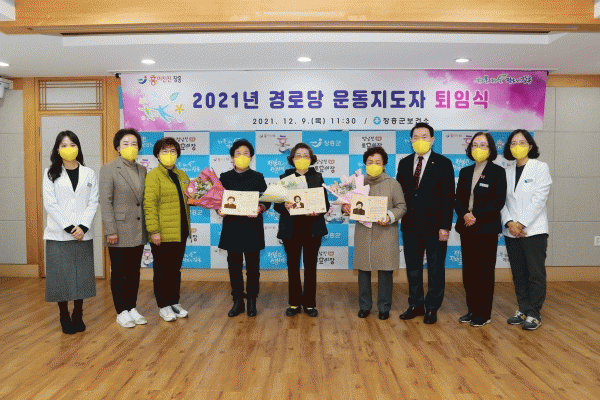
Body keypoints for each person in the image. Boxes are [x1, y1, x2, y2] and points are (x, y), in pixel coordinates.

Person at [396, 122, 455, 324]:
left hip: (435, 226)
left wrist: (445, 226)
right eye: (415, 137)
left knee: (436, 268)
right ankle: (415, 304)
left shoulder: (443, 163)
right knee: (413, 267)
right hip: (410, 224)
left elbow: (448, 197)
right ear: (410, 140)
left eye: (424, 136)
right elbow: (399, 194)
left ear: (432, 139)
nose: (419, 140)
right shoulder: (404, 163)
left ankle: (432, 307)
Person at [43, 130, 99, 334]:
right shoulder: (50, 173)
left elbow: (93, 202)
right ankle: (64, 314)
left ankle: (78, 313)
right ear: (57, 150)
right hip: (58, 234)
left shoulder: (89, 173)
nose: (69, 148)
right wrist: (69, 227)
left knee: (81, 276)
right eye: (64, 145)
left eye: (72, 145)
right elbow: (50, 204)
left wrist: (82, 227)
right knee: (61, 277)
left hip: (83, 234)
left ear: (78, 148)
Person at [342, 147, 406, 320]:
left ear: (384, 164)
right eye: (370, 162)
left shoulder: (393, 183)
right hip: (364, 232)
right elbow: (347, 203)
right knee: (364, 270)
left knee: (385, 271)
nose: (374, 164)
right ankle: (365, 306)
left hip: (385, 233)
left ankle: (384, 307)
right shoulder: (357, 184)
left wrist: (389, 216)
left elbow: (401, 207)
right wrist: (345, 207)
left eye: (378, 162)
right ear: (365, 164)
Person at [454, 132, 507, 327]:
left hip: (486, 229)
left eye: (483, 145)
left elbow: (498, 201)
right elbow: (458, 199)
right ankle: (472, 310)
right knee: (469, 272)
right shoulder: (465, 172)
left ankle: (484, 314)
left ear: (491, 149)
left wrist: (475, 214)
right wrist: (464, 214)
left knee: (484, 272)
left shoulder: (497, 172)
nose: (478, 148)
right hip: (467, 227)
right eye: (475, 145)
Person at [501, 129, 551, 331]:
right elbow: (501, 202)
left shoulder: (540, 168)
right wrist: (510, 223)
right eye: (513, 143)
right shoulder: (506, 171)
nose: (517, 146)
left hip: (534, 230)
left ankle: (534, 313)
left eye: (522, 142)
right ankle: (522, 308)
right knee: (518, 273)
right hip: (511, 232)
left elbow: (540, 199)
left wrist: (521, 223)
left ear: (530, 146)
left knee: (535, 274)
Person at [99, 128, 148, 329]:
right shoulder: (109, 169)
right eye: (125, 143)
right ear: (118, 148)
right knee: (119, 272)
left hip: (138, 229)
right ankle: (121, 311)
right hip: (118, 230)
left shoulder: (142, 170)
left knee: (134, 271)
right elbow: (105, 202)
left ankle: (132, 307)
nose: (130, 147)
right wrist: (110, 230)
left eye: (134, 144)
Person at [275, 142, 330, 317]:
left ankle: (309, 304)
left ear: (311, 159)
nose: (302, 158)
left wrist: (319, 210)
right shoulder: (285, 177)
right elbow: (277, 206)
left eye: (306, 155)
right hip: (291, 230)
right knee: (293, 267)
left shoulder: (317, 177)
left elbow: (326, 204)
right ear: (292, 159)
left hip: (312, 229)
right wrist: (284, 205)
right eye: (298, 155)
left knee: (310, 267)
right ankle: (294, 303)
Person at [217, 139, 271, 317]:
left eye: (246, 153)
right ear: (232, 157)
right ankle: (238, 301)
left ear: (251, 157)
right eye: (238, 153)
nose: (242, 156)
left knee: (253, 268)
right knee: (234, 267)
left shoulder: (258, 177)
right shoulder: (224, 177)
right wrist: (219, 209)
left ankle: (252, 300)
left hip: (252, 228)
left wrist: (260, 208)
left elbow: (266, 199)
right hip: (232, 228)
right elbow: (217, 200)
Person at [144, 137, 191, 322]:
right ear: (157, 155)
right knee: (162, 270)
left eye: (172, 151)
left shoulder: (182, 175)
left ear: (177, 154)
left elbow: (190, 199)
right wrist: (154, 230)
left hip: (180, 231)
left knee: (174, 270)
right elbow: (149, 205)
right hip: (162, 233)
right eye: (165, 151)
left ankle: (174, 302)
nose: (169, 154)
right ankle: (163, 305)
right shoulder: (153, 176)